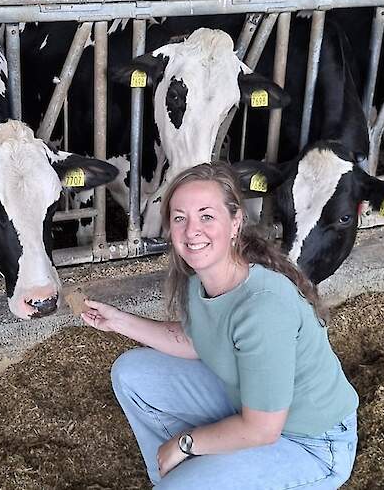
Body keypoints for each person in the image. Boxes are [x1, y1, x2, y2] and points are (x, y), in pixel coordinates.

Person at [80, 162, 359, 489]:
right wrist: (118, 321)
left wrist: (185, 443)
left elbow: (261, 430)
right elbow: (198, 340)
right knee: (132, 373)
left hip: (310, 443)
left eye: (206, 216)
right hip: (251, 404)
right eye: (180, 217)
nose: (191, 230)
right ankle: (177, 476)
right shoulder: (201, 278)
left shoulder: (264, 307)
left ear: (235, 222)